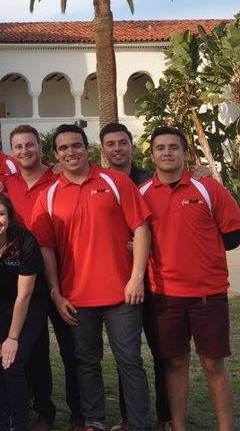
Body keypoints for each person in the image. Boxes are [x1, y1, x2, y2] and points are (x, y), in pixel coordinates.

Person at [30, 124, 152, 431]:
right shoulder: (48, 196)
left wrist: (137, 277)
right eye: (63, 148)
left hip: (123, 292)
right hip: (77, 297)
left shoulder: (116, 181)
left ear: (88, 149)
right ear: (55, 154)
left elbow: (140, 228)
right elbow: (45, 249)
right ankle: (94, 422)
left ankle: (138, 424)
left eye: (76, 146)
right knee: (86, 363)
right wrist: (56, 294)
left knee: (130, 362)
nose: (70, 152)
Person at [140, 126, 240, 431]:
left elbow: (233, 235)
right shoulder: (142, 193)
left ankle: (226, 427)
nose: (167, 153)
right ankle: (179, 426)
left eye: (173, 147)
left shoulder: (208, 188)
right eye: (161, 148)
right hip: (166, 294)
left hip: (208, 294)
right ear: (153, 154)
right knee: (175, 362)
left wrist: (199, 250)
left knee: (212, 363)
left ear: (185, 153)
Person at [4, 124, 81, 431]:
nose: (25, 151)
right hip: (25, 280)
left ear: (40, 147)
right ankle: (44, 411)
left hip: (63, 275)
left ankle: (79, 411)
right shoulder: (3, 184)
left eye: (30, 145)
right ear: (12, 152)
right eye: (19, 146)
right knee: (35, 351)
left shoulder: (59, 178)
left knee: (71, 349)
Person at [99, 122, 170, 431]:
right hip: (117, 283)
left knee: (161, 352)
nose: (117, 148)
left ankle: (166, 416)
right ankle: (129, 418)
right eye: (111, 143)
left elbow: (166, 226)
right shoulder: (100, 182)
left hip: (154, 281)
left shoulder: (150, 181)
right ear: (103, 149)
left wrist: (143, 246)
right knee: (126, 355)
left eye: (122, 142)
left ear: (132, 146)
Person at [0, 193, 48, 431]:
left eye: (0, 214)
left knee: (12, 365)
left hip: (29, 304)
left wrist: (12, 338)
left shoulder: (26, 242)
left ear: (10, 217)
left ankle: (20, 423)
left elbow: (24, 295)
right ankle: (1, 423)